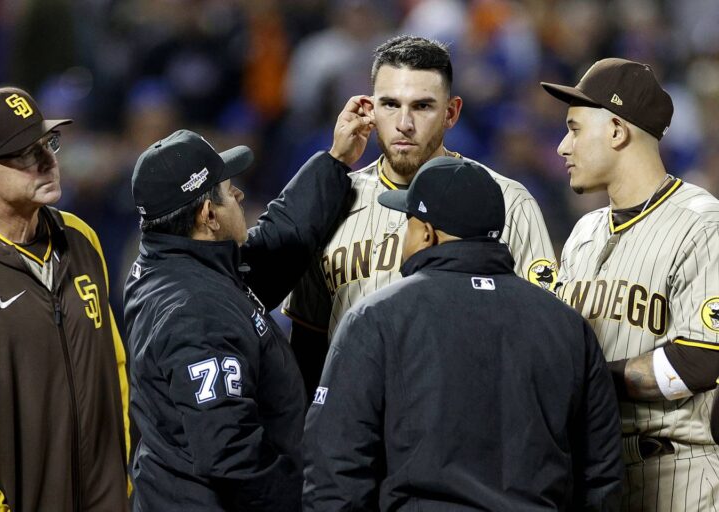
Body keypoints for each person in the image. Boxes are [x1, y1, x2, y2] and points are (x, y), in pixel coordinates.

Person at [302, 156, 623, 511]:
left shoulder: (376, 318)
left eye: (408, 224)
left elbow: (335, 467)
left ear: (426, 233)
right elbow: (602, 476)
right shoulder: (567, 326)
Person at [123, 99, 372, 511]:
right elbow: (230, 455)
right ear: (208, 215)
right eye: (227, 190)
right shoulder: (194, 310)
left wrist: (334, 160)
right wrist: (307, 503)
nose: (238, 192)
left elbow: (275, 244)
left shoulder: (177, 263)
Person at [284, 35, 557, 398]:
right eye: (390, 105)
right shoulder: (331, 200)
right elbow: (308, 343)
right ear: (369, 109)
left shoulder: (510, 202)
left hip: (463, 427)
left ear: (452, 112)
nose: (404, 123)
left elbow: (542, 336)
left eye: (423, 106)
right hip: (354, 428)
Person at [542, 58, 719, 510]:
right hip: (594, 476)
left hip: (679, 474)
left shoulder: (702, 225)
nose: (563, 146)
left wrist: (587, 382)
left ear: (617, 131)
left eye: (575, 129)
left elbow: (701, 360)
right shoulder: (583, 233)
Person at [0, 87, 130, 510]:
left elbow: (114, 368)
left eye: (48, 143)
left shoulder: (81, 238)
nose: (49, 161)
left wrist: (121, 483)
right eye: (25, 153)